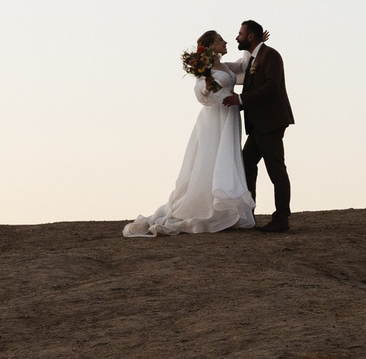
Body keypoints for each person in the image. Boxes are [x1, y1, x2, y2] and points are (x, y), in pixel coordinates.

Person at [121, 31, 259, 237]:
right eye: (221, 40)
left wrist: (256, 44)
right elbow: (202, 94)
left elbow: (244, 65)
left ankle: (223, 206)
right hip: (214, 119)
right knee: (211, 158)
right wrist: (207, 88)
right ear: (212, 46)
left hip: (229, 116)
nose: (226, 42)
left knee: (226, 157)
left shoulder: (225, 67)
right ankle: (207, 206)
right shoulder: (206, 70)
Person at [232, 20, 293, 233]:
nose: (236, 37)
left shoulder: (271, 56)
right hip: (259, 125)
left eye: (240, 34)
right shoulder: (254, 58)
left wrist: (240, 100)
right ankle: (249, 214)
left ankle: (282, 218)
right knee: (246, 164)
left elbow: (271, 87)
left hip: (271, 123)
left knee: (276, 171)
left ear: (250, 36)